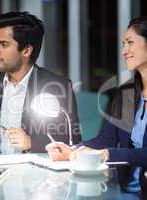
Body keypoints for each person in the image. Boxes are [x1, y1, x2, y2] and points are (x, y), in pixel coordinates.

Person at [0, 11, 81, 153]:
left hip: (34, 172)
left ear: (26, 50)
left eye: (3, 44)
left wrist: (32, 143)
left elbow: (72, 140)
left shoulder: (57, 87)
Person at [46, 16, 147, 200]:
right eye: (123, 44)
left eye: (130, 42)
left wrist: (107, 154)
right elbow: (106, 139)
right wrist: (74, 150)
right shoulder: (128, 93)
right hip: (121, 191)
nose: (125, 51)